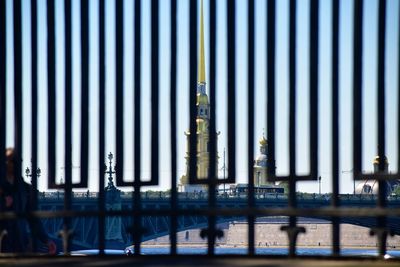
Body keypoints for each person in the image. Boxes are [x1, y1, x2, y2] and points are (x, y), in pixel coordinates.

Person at [0, 148, 56, 254]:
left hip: (19, 245)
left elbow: (33, 218)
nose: (16, 164)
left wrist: (47, 240)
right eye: (11, 160)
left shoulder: (25, 188)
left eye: (19, 160)